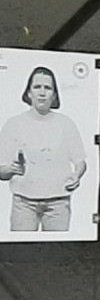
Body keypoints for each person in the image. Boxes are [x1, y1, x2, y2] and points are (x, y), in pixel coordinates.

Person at [0, 66, 87, 232]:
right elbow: (1, 171)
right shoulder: (13, 124)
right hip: (23, 203)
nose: (42, 93)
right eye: (37, 87)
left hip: (58, 203)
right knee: (22, 246)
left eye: (47, 88)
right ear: (28, 93)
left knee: (58, 246)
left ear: (54, 95)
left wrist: (76, 175)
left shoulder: (65, 124)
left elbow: (80, 161)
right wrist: (10, 169)